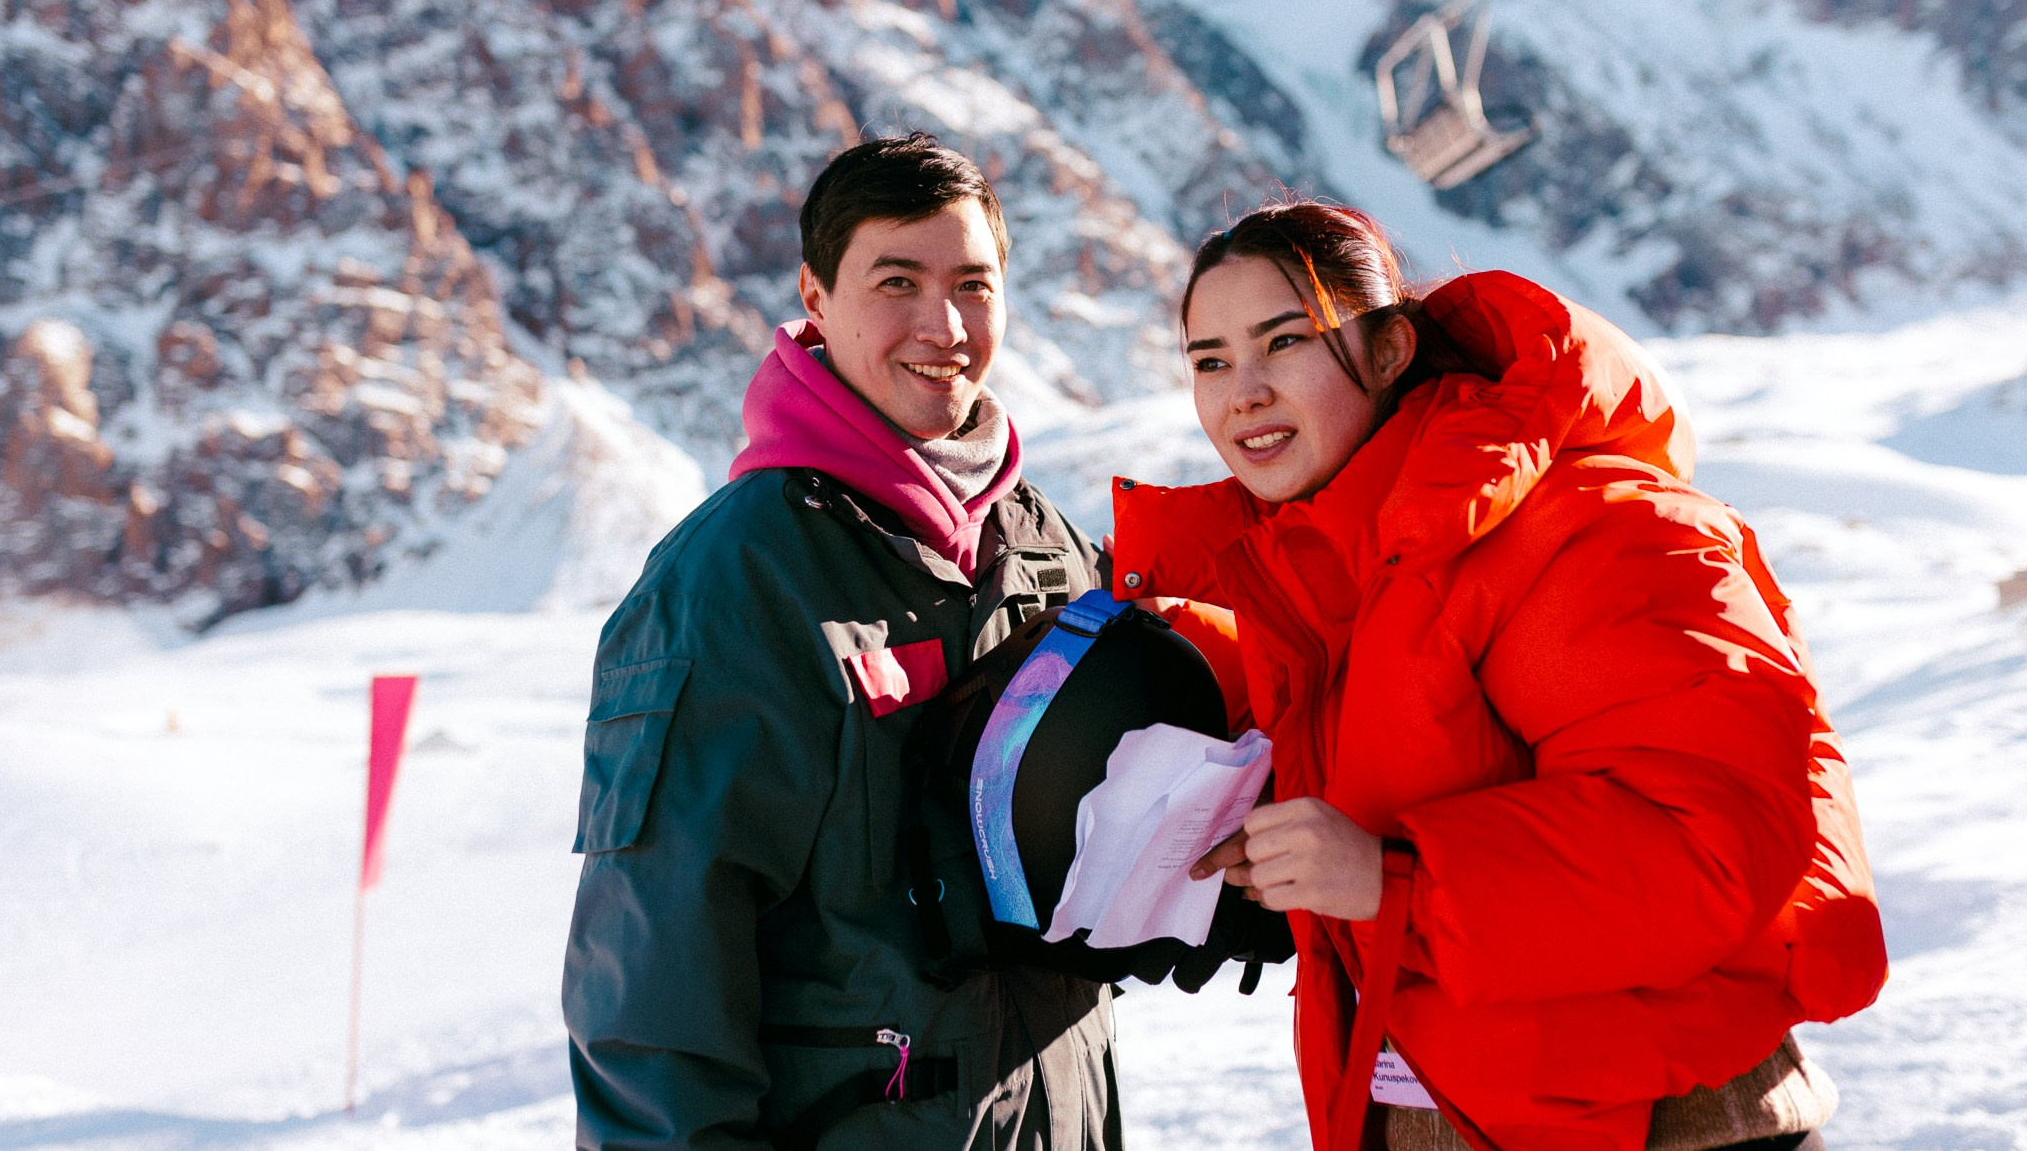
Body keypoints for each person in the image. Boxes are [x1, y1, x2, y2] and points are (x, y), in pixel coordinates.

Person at [1107, 202, 1888, 1151]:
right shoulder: (1321, 576)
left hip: (1670, 1127)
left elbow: (1714, 840)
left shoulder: (1591, 527)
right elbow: (1418, 730)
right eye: (1210, 359)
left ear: (1393, 348)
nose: (1244, 393)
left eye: (1287, 341)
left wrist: (1395, 876)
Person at [564, 133, 1121, 1151]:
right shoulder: (734, 578)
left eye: (971, 284)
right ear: (814, 298)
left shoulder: (1041, 542)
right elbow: (653, 989)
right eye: (895, 281)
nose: (942, 325)